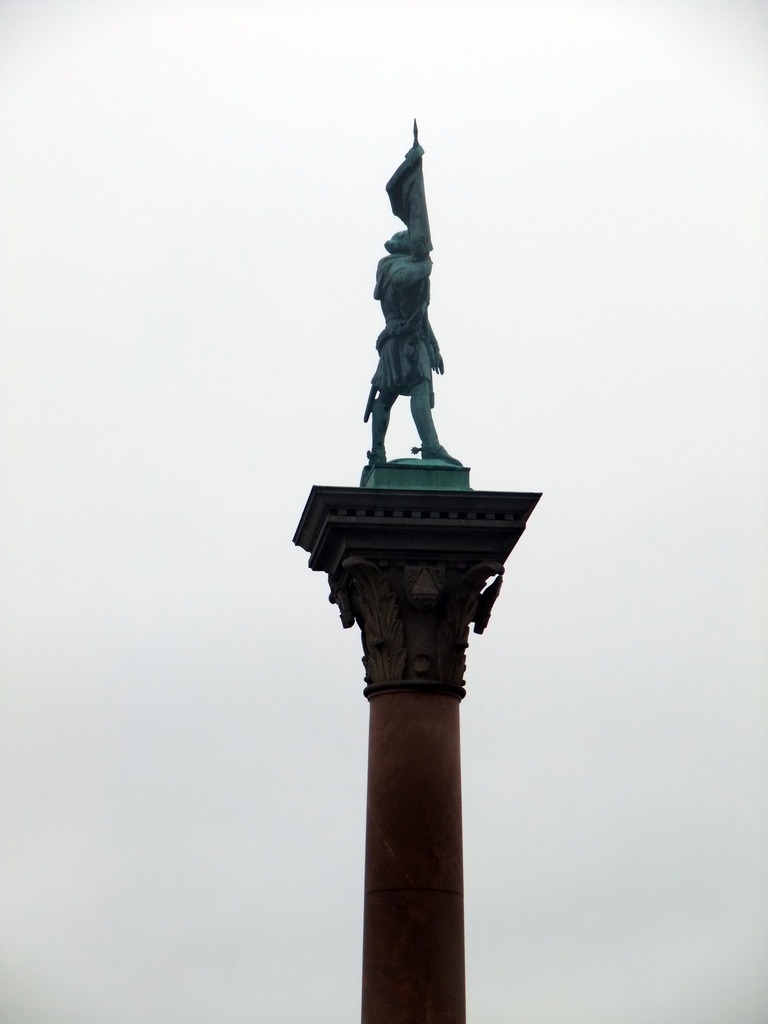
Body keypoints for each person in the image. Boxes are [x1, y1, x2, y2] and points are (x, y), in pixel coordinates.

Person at [365, 227, 461, 468]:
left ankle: (425, 445)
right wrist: (424, 266)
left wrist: (434, 347)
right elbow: (401, 280)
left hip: (413, 337)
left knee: (397, 392)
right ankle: (414, 447)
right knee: (397, 391)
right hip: (398, 339)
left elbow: (422, 314)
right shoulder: (390, 265)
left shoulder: (410, 266)